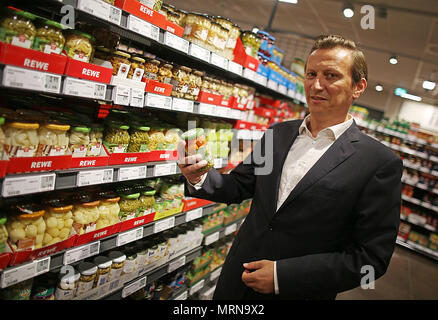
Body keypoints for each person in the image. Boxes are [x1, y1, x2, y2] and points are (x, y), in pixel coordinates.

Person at [177, 34, 402, 300]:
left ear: (358, 87)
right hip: (236, 282)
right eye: (311, 74)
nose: (316, 85)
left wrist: (282, 275)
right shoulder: (278, 133)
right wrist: (200, 177)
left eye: (331, 76)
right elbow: (239, 186)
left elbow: (370, 259)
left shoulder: (378, 163)